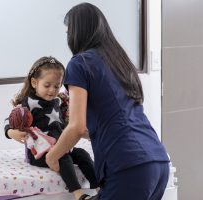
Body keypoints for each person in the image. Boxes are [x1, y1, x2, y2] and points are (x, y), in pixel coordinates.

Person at [45, 3, 170, 200]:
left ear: (78, 32)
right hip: (158, 160)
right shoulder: (119, 61)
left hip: (128, 164)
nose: (68, 37)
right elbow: (114, 117)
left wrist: (52, 155)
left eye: (68, 32)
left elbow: (76, 126)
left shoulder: (79, 64)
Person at [4, 56, 99, 200]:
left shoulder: (59, 101)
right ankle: (78, 193)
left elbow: (68, 124)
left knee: (82, 155)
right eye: (47, 85)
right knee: (64, 158)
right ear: (34, 82)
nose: (52, 90)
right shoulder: (29, 103)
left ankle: (98, 187)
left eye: (56, 86)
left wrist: (87, 133)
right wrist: (11, 132)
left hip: (61, 147)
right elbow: (9, 121)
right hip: (40, 153)